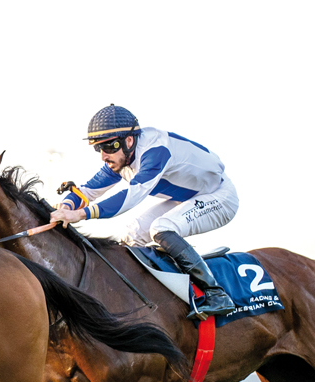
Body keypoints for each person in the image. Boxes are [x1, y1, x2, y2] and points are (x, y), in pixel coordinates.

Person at [50, 104, 238, 319]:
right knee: (132, 234)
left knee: (161, 227)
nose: (103, 156)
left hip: (220, 196)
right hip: (188, 198)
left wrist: (80, 214)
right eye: (98, 148)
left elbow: (132, 196)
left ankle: (216, 294)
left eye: (108, 146)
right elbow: (88, 191)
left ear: (129, 141)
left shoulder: (155, 151)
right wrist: (66, 206)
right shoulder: (122, 157)